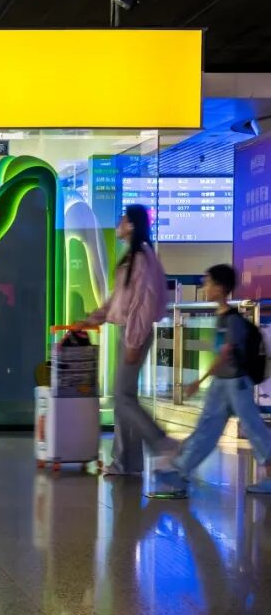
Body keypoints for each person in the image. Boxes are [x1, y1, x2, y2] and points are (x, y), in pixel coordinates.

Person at [153, 265, 271, 497]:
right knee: (207, 428)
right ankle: (180, 472)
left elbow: (225, 353)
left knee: (253, 428)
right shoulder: (223, 317)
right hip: (223, 382)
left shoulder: (232, 320)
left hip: (236, 383)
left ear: (220, 287)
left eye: (207, 282)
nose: (204, 287)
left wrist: (199, 381)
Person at [75, 204, 174, 476]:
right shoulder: (133, 257)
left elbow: (142, 304)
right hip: (129, 331)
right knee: (124, 399)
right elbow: (119, 299)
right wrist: (94, 318)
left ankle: (161, 442)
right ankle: (127, 464)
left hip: (134, 333)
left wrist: (133, 341)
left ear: (131, 224)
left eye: (122, 219)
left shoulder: (141, 258)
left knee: (122, 396)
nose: (118, 224)